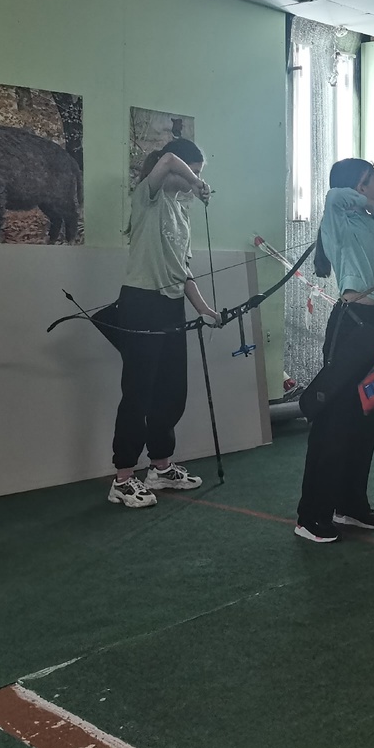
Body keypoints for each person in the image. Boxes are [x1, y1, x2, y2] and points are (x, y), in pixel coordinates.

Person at [295, 159, 374, 543]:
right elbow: (334, 196)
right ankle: (311, 515)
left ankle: (349, 504)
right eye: (373, 181)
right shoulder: (339, 220)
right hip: (351, 326)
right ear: (358, 187)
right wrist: (364, 201)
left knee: (365, 418)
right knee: (335, 421)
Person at [107, 138, 221, 509]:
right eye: (193, 172)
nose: (195, 180)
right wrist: (198, 183)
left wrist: (205, 310)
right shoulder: (148, 195)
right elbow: (170, 158)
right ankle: (123, 478)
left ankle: (160, 467)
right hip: (141, 303)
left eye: (198, 175)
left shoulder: (180, 210)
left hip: (172, 307)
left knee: (172, 391)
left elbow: (183, 271)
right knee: (138, 393)